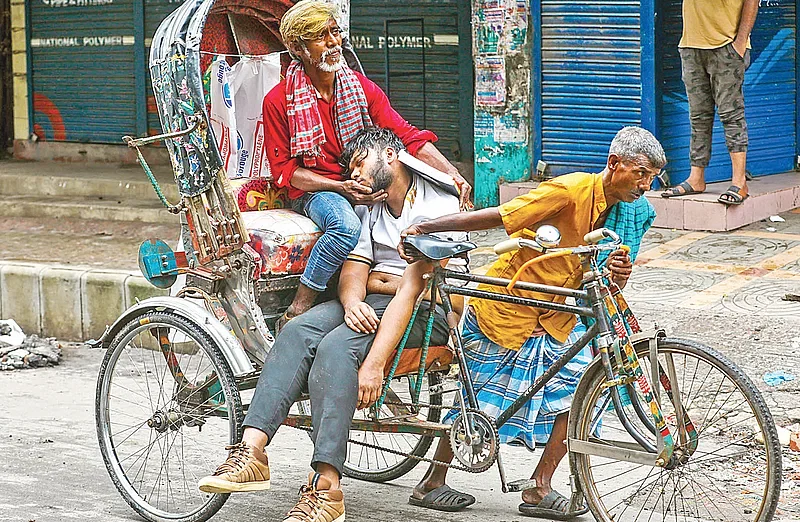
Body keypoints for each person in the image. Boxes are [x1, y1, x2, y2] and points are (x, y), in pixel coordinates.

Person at [361, 126, 662, 518]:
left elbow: (601, 266)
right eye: (640, 173)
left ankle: (540, 485)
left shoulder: (621, 211)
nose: (645, 184)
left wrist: (619, 271)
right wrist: (427, 227)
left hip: (556, 316)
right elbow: (501, 216)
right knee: (475, 399)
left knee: (582, 393)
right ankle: (432, 481)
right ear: (614, 164)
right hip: (508, 307)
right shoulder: (569, 190)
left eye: (651, 177)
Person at [197, 127, 467, 522]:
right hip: (377, 300)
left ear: (390, 155)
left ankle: (327, 488)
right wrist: (354, 298)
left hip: (430, 308)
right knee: (298, 329)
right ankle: (251, 450)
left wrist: (374, 364)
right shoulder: (368, 204)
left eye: (360, 163)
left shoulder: (435, 202)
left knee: (336, 347)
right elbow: (356, 266)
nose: (355, 175)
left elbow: (410, 289)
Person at [263, 0, 471, 328]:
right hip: (317, 189)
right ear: (298, 48)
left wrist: (452, 174)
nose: (333, 42)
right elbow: (286, 172)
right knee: (346, 227)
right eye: (321, 37)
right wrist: (339, 186)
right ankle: (299, 308)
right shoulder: (277, 100)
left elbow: (407, 137)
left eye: (335, 32)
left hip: (362, 180)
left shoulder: (360, 87)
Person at [661, 0, 758, 206]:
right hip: (691, 45)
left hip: (727, 46)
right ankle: (696, 178)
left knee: (731, 114)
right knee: (698, 116)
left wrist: (740, 42)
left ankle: (739, 182)